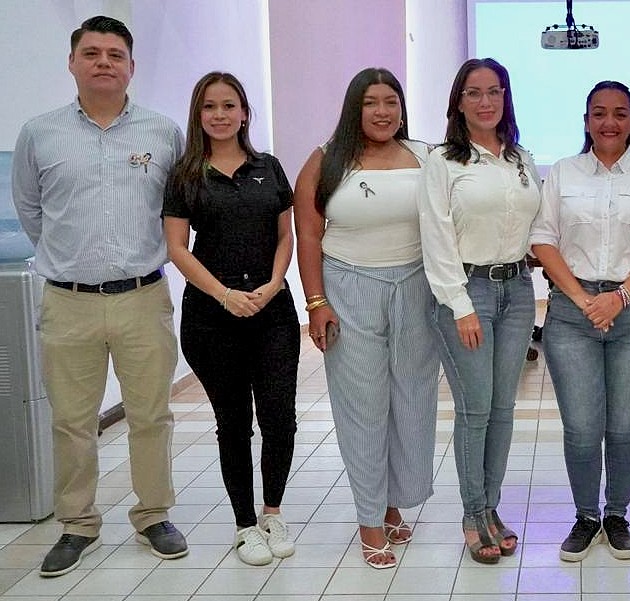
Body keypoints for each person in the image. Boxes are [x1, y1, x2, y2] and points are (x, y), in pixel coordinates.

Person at [11, 15, 188, 577]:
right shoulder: (39, 134)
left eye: (115, 54)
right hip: (68, 301)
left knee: (151, 414)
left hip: (143, 296)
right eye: (92, 53)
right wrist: (71, 261)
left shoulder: (163, 133)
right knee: (72, 419)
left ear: (132, 67)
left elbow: (177, 209)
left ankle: (153, 514)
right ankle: (77, 523)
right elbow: (31, 210)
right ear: (73, 63)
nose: (104, 62)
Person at [294, 68, 438, 569]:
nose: (382, 111)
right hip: (348, 287)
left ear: (401, 107)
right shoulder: (325, 159)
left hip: (415, 287)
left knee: (411, 400)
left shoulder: (425, 156)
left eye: (390, 101)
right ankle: (369, 519)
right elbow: (308, 235)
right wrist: (316, 302)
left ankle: (394, 501)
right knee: (363, 405)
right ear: (354, 108)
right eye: (371, 102)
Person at [530, 81, 630, 562]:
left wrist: (619, 297)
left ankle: (616, 514)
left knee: (625, 425)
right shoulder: (563, 173)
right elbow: (543, 238)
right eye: (599, 113)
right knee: (580, 426)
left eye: (619, 113)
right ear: (586, 121)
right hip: (573, 315)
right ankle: (586, 516)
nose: (609, 122)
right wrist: (583, 299)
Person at [163, 72, 298, 566]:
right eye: (209, 106)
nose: (219, 115)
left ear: (244, 113)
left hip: (272, 311)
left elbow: (285, 235)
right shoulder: (185, 175)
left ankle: (272, 512)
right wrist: (224, 295)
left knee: (279, 418)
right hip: (212, 318)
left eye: (228, 105)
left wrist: (275, 282)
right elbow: (177, 248)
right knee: (234, 422)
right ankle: (245, 526)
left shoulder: (268, 167)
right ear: (198, 115)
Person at [418, 58, 540, 564]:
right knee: (475, 409)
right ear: (459, 102)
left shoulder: (520, 159)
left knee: (503, 409)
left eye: (495, 91)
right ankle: (472, 515)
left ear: (505, 97)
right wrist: (460, 304)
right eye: (474, 92)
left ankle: (491, 508)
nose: (486, 101)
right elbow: (436, 236)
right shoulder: (443, 161)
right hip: (467, 292)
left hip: (518, 291)